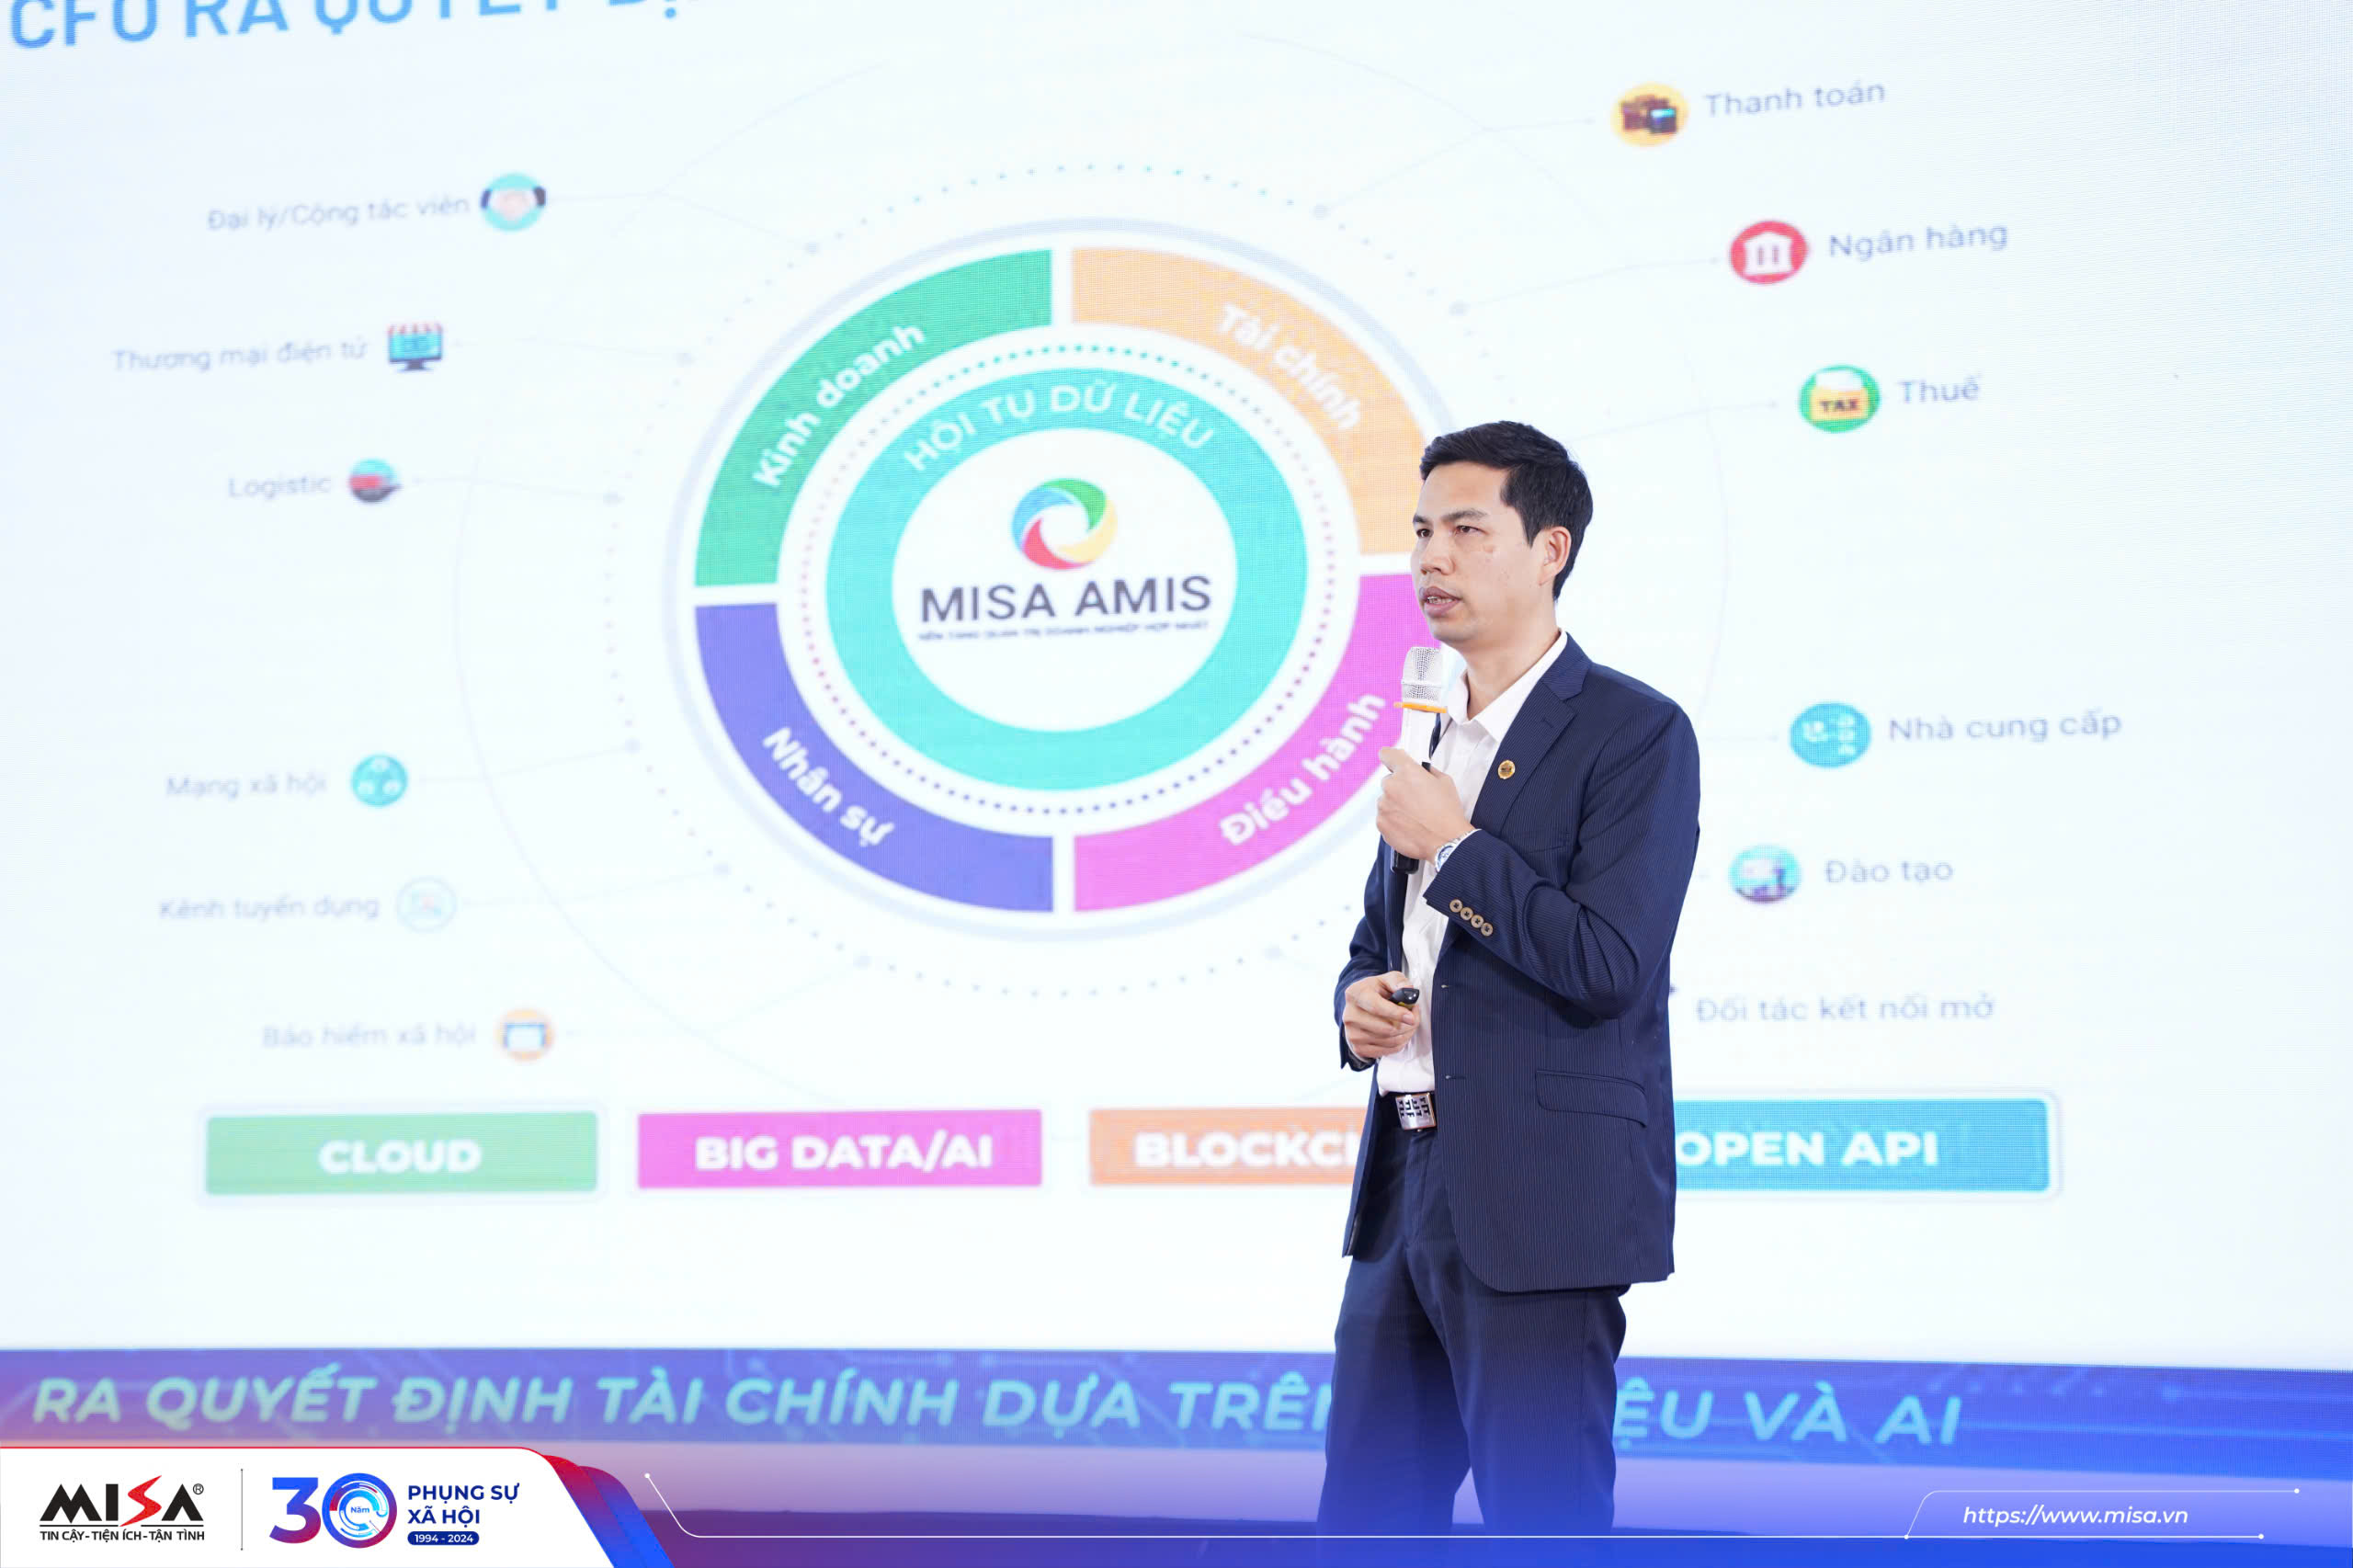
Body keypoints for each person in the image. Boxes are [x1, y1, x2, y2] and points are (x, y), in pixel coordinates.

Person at [1318, 420, 1701, 1544]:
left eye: (1466, 530)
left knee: (1543, 1524)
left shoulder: (1634, 731)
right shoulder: (1429, 733)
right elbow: (1382, 939)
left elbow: (1608, 962)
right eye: (1420, 532)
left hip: (1539, 1203)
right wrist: (1357, 1002)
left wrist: (1455, 843)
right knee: (1364, 1523)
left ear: (1549, 549)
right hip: (1405, 1182)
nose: (1431, 557)